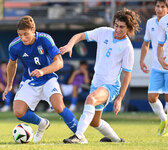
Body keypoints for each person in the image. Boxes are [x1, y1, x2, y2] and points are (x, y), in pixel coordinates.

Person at [60, 8, 140, 143]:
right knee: (94, 122)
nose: (118, 29)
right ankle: (116, 140)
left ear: (128, 28)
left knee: (90, 99)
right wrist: (70, 45)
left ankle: (79, 137)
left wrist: (120, 99)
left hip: (110, 86)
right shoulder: (104, 32)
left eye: (121, 27)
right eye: (116, 25)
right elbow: (80, 36)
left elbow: (127, 76)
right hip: (96, 83)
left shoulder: (127, 47)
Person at [2, 15, 78, 143]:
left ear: (33, 30)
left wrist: (43, 71)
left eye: (26, 34)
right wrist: (9, 85)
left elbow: (59, 63)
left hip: (48, 78)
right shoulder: (15, 46)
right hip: (30, 81)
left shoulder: (45, 39)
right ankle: (42, 123)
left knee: (59, 107)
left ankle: (79, 135)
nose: (23, 38)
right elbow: (11, 64)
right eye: (20, 35)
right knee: (18, 112)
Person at [140, 0, 168, 136]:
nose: (160, 9)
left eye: (163, 6)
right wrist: (141, 60)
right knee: (152, 97)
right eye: (158, 6)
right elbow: (146, 43)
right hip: (157, 66)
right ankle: (164, 120)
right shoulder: (150, 23)